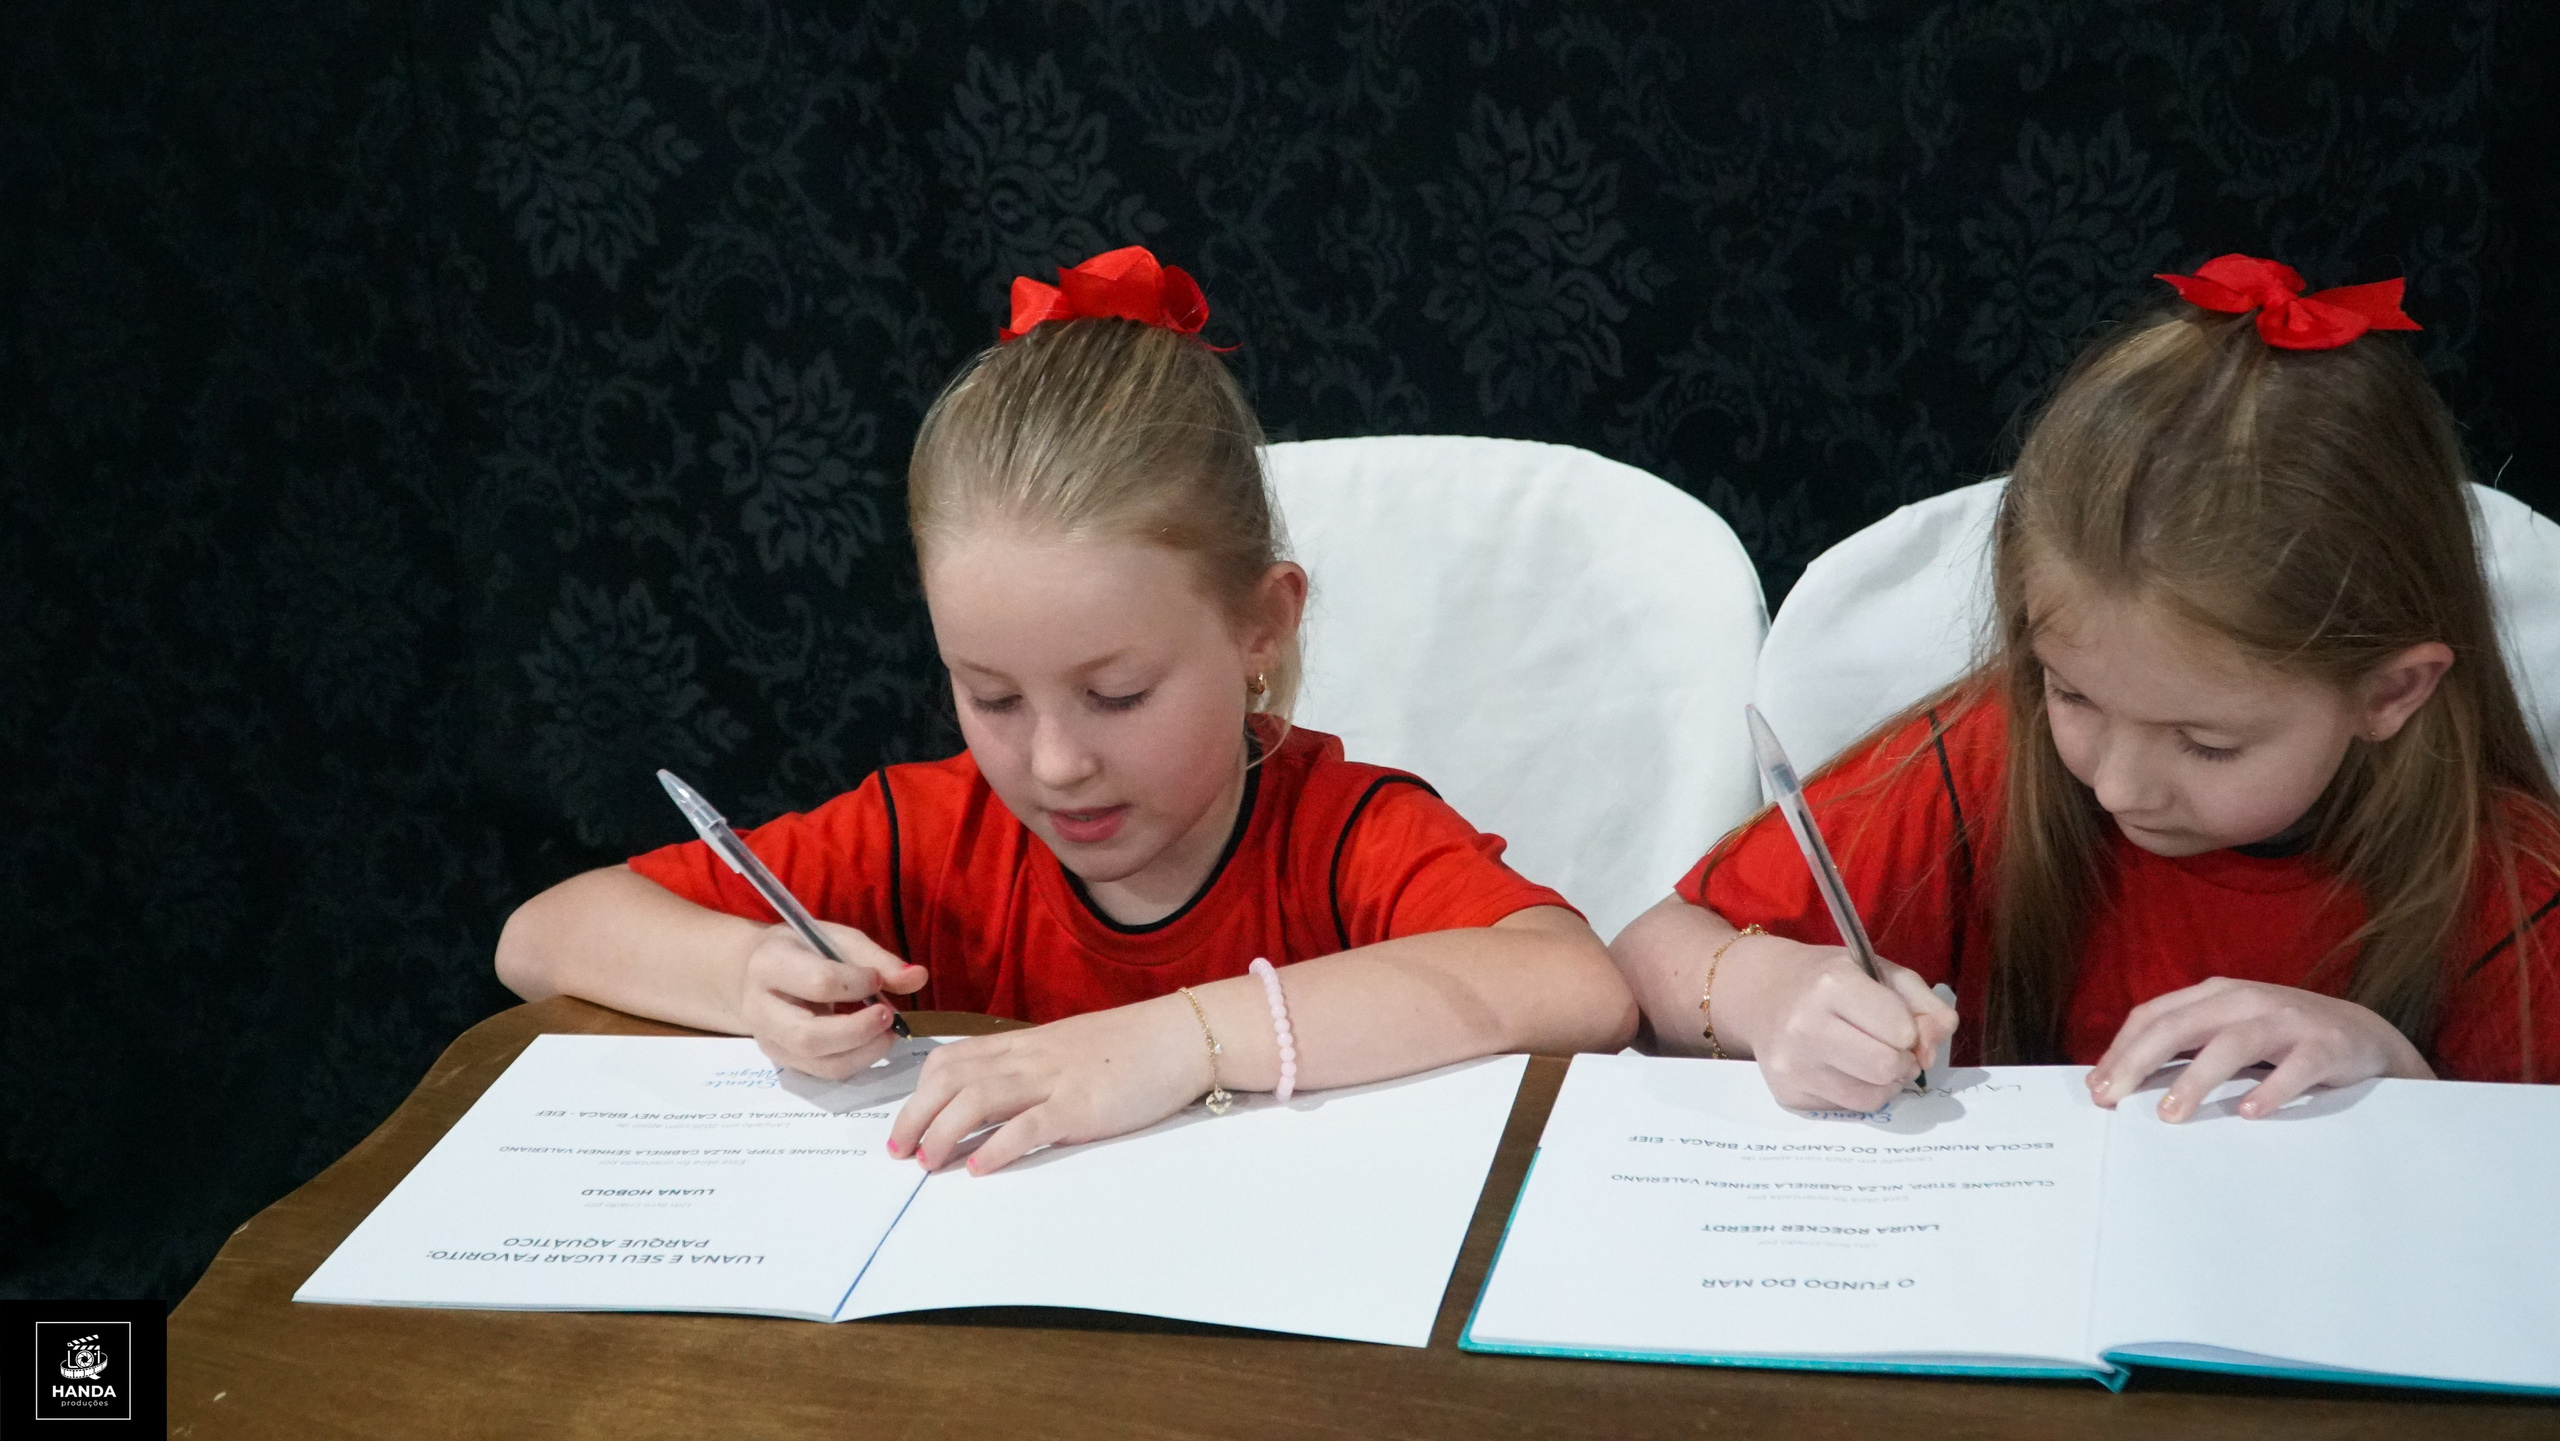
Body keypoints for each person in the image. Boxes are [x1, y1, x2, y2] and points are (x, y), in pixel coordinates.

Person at [498, 246, 1636, 1173]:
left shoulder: (1341, 838)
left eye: (1116, 694)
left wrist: (1172, 1041)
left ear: (1260, 628)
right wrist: (748, 976)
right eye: (989, 695)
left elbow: (1574, 985)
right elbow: (541, 935)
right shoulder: (928, 833)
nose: (1053, 763)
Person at [1612, 253, 2560, 1122]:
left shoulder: (2511, 887)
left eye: (2206, 743)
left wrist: (2402, 1080)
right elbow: (1653, 950)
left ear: (2391, 692)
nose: (2119, 787)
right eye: (2071, 695)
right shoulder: (1991, 760)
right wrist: (1766, 993)